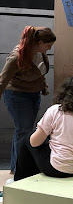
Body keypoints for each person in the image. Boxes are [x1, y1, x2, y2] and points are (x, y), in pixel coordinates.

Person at [14, 76, 73, 181]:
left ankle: (19, 181)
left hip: (58, 169)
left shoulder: (55, 111)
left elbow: (34, 143)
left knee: (27, 139)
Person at [0, 26, 56, 174]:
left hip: (33, 94)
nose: (49, 49)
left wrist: (43, 87)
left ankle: (16, 167)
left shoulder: (40, 53)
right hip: (17, 95)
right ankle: (20, 170)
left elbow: (39, 72)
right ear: (40, 42)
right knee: (24, 131)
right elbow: (2, 80)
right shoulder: (17, 56)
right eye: (48, 45)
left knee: (23, 130)